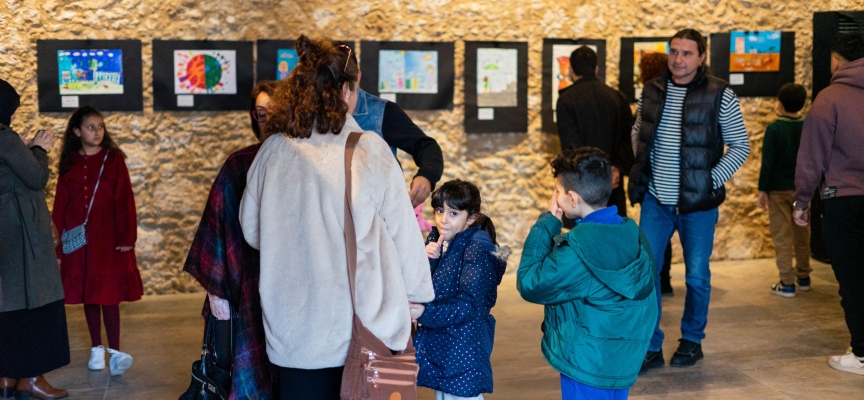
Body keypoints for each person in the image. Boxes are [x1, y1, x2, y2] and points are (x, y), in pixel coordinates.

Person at [239, 36, 435, 399]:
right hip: (357, 328)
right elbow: (403, 234)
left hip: (292, 330)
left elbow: (251, 231)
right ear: (345, 90)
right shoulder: (368, 150)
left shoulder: (271, 151)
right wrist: (417, 296)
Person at [629, 29, 750, 372]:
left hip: (698, 207)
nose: (678, 59)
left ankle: (692, 340)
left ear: (701, 58)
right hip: (655, 202)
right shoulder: (651, 90)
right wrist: (644, 165)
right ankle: (651, 346)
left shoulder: (720, 94)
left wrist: (708, 180)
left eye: (687, 53)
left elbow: (740, 145)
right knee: (645, 275)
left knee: (696, 276)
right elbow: (639, 131)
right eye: (674, 52)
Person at [517, 147, 656, 400]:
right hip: (621, 359)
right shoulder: (634, 234)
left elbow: (530, 283)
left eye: (557, 192)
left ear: (572, 198)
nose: (555, 197)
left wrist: (547, 223)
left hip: (586, 362)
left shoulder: (577, 251)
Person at [183, 80, 280, 398]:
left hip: (291, 295)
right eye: (260, 114)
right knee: (249, 374)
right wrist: (217, 298)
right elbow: (215, 235)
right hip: (245, 292)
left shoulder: (305, 166)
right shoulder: (239, 165)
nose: (267, 120)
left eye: (274, 112)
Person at [793, 32, 864, 375]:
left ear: (837, 60)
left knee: (853, 277)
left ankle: (862, 353)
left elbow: (812, 156)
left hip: (845, 201)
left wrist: (802, 200)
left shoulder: (830, 97)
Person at [52, 106, 143, 376]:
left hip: (109, 237)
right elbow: (60, 203)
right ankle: (96, 348)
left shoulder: (113, 159)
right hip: (77, 239)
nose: (97, 131)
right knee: (88, 293)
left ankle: (114, 352)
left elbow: (125, 198)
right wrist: (56, 242)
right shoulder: (69, 162)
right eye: (91, 127)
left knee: (109, 294)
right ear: (77, 132)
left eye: (100, 126)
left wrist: (127, 236)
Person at [0, 78, 70, 400]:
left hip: (5, 232)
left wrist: (24, 150)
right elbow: (37, 178)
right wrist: (40, 148)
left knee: (8, 303)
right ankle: (32, 378)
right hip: (22, 230)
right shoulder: (5, 137)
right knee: (36, 300)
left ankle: (7, 377)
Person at [415, 180, 508, 400]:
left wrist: (423, 313)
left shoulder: (475, 248)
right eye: (439, 210)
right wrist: (428, 260)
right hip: (445, 347)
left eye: (453, 213)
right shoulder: (440, 240)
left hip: (463, 351)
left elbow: (469, 306)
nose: (443, 219)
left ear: (472, 217)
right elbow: (429, 288)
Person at [338, 41, 444, 207]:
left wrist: (426, 176)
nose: (343, 99)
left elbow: (426, 146)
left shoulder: (383, 112)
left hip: (378, 209)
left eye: (347, 91)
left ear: (358, 77)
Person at [556, 46, 634, 219]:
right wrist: (617, 168)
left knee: (583, 239)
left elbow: (571, 146)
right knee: (613, 236)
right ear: (596, 69)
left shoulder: (566, 100)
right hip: (612, 184)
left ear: (570, 69)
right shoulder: (618, 97)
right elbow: (628, 139)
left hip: (581, 187)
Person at [756, 83, 810, 298]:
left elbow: (767, 163)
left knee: (782, 236)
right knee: (802, 233)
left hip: (778, 190)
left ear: (779, 103)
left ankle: (787, 282)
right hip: (801, 190)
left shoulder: (774, 128)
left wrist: (763, 189)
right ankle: (804, 277)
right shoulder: (807, 126)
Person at [636, 51, 675, 297]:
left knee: (654, 246)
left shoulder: (657, 101)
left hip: (656, 182)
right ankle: (665, 280)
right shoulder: (649, 99)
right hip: (654, 184)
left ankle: (662, 280)